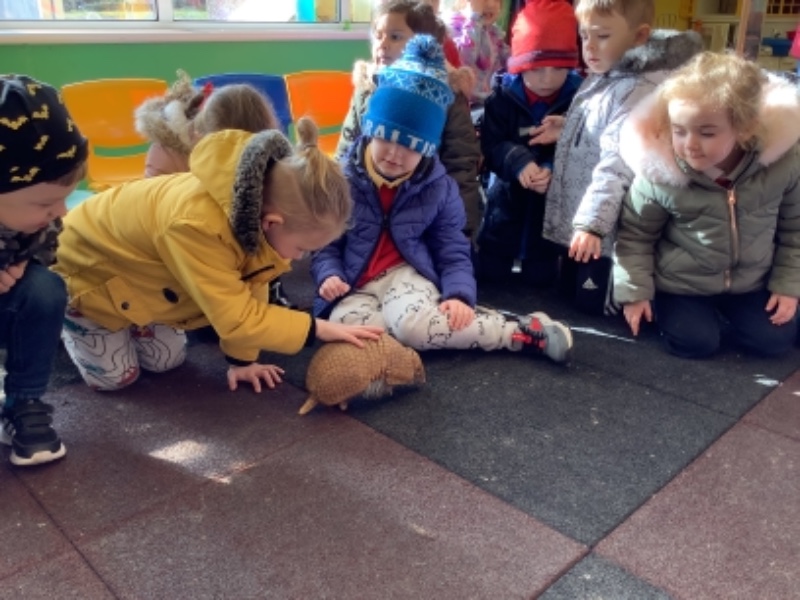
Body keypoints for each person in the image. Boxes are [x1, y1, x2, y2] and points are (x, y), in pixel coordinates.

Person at [54, 119, 383, 392]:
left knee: (166, 361)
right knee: (117, 380)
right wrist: (317, 328)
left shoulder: (258, 211)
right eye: (302, 249)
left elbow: (252, 280)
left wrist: (242, 361)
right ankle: (72, 321)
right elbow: (238, 317)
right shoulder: (197, 228)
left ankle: (133, 321)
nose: (299, 259)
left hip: (145, 278)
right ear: (272, 223)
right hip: (90, 274)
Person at [312, 35, 573, 364]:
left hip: (408, 275)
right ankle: (405, 351)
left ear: (427, 150)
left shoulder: (438, 187)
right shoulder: (341, 180)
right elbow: (325, 242)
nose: (394, 154)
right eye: (385, 139)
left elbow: (452, 247)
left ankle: (519, 332)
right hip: (354, 283)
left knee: (415, 329)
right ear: (369, 132)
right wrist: (329, 274)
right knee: (344, 329)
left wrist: (459, 294)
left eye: (411, 147)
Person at [614, 51, 800, 358]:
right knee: (696, 343)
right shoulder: (661, 174)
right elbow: (635, 236)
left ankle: (731, 318)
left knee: (775, 341)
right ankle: (678, 314)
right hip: (682, 284)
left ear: (745, 128)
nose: (690, 144)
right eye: (679, 130)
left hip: (749, 283)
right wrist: (635, 293)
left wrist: (787, 286)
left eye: (707, 132)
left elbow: (795, 231)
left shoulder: (782, 166)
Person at [539, 0, 702, 315]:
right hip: (585, 221)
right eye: (584, 35)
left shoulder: (636, 88)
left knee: (591, 307)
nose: (589, 46)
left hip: (607, 231)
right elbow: (604, 123)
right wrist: (569, 126)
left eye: (602, 36)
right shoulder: (607, 73)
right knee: (567, 295)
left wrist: (593, 225)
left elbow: (617, 162)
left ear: (639, 36)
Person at [135, 71, 295, 308]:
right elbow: (155, 220)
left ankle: (267, 290)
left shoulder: (262, 155)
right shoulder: (167, 155)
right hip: (177, 242)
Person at [336, 0, 483, 240]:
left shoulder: (446, 96)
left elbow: (460, 164)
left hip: (422, 213)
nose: (383, 44)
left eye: (395, 37)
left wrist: (459, 230)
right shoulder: (366, 90)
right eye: (378, 36)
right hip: (368, 207)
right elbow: (347, 150)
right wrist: (335, 203)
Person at [0, 75, 88, 465]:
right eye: (44, 204)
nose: (61, 212)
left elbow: (43, 252)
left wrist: (23, 264)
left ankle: (23, 404)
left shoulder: (38, 219)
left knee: (44, 289)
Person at [477, 0, 583, 286]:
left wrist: (551, 166)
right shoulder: (501, 97)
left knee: (541, 281)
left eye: (558, 69)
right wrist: (518, 161)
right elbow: (492, 143)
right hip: (504, 205)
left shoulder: (578, 99)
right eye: (537, 69)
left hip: (548, 218)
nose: (548, 79)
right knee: (491, 276)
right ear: (520, 65)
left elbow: (581, 146)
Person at [447, 0, 510, 108]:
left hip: (489, 100)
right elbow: (466, 58)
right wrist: (475, 17)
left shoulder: (493, 33)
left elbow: (509, 60)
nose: (491, 4)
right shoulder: (454, 29)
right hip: (465, 104)